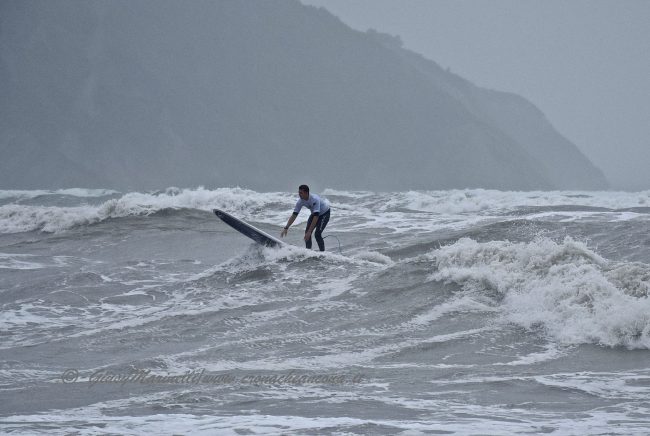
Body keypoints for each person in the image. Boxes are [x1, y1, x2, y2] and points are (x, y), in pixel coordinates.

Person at [280, 185, 330, 251]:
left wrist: (309, 231)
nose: (299, 194)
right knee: (307, 233)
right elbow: (294, 215)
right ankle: (308, 251)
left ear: (306, 193)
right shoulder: (300, 201)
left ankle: (323, 253)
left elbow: (316, 216)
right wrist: (286, 227)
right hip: (314, 214)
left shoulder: (314, 199)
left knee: (317, 234)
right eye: (299, 192)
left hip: (324, 214)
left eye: (301, 193)